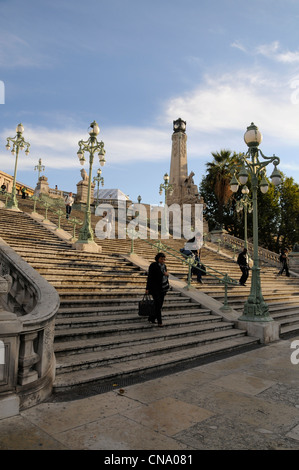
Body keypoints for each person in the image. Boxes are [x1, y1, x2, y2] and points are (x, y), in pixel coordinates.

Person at [145, 252, 169, 326]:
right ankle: (160, 322)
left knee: (159, 305)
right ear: (158, 259)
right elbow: (150, 277)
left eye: (164, 259)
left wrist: (167, 275)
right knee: (158, 304)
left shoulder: (164, 266)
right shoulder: (153, 265)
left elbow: (165, 276)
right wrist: (147, 288)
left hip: (163, 288)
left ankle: (151, 318)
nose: (163, 260)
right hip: (155, 288)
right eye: (161, 259)